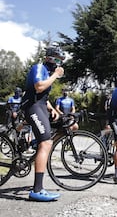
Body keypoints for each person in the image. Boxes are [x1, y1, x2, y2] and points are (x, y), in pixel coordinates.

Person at [21, 45, 65, 201]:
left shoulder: (46, 71)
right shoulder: (39, 67)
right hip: (32, 108)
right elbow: (39, 87)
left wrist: (52, 108)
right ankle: (37, 190)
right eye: (58, 59)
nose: (60, 63)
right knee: (46, 143)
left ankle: (34, 146)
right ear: (50, 58)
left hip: (39, 106)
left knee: (49, 138)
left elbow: (42, 97)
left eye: (61, 61)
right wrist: (55, 75)